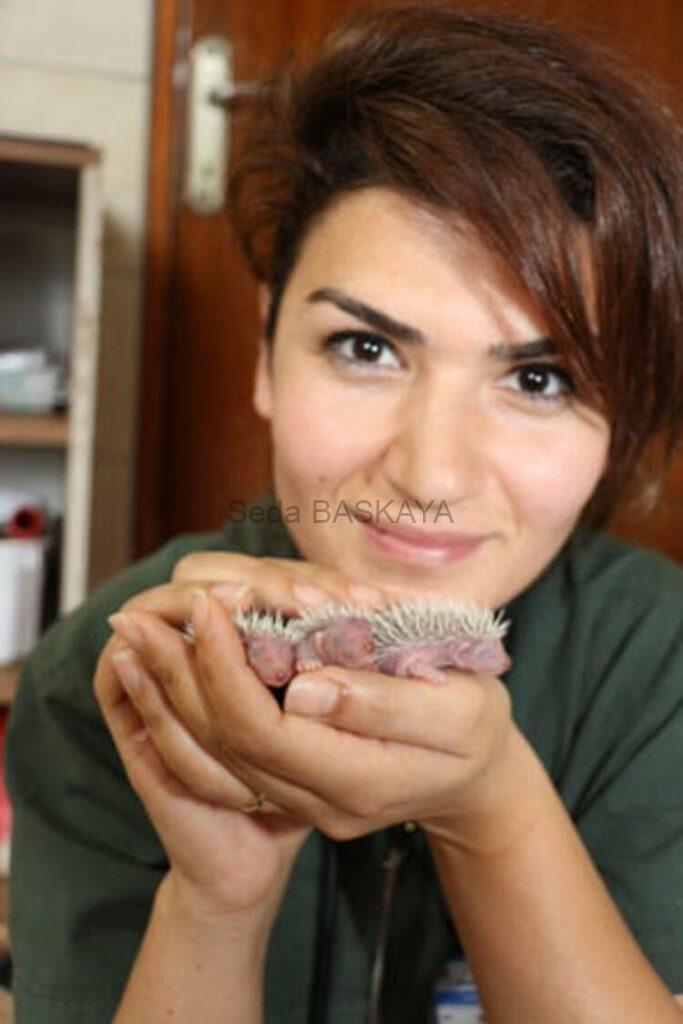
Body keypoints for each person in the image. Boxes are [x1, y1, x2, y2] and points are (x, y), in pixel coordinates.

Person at [6, 3, 683, 1022]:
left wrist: (489, 805)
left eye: (538, 378)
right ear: (266, 350)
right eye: (365, 349)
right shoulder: (112, 682)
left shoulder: (655, 665)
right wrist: (216, 897)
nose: (430, 474)